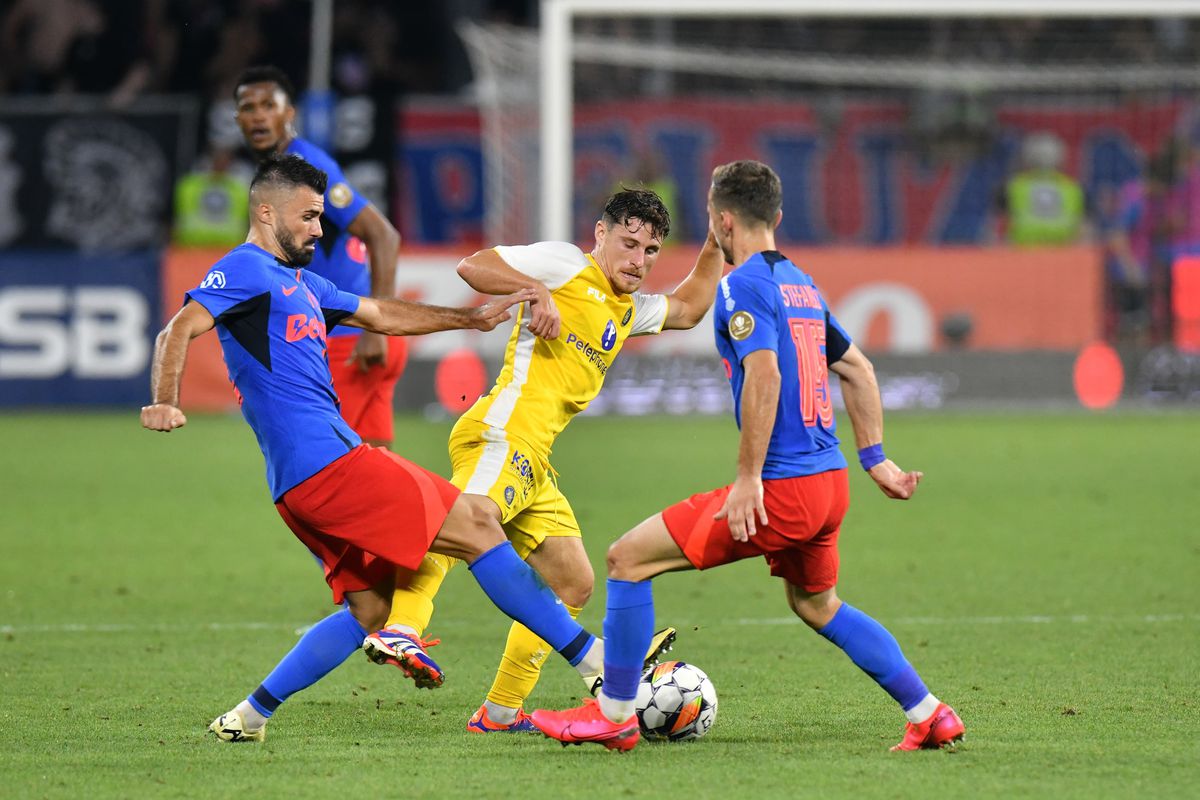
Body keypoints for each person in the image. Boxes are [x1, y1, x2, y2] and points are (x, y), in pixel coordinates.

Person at [142, 154, 609, 743]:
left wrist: (470, 319)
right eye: (309, 216)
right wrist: (164, 398)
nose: (319, 228)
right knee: (477, 528)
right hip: (329, 466)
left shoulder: (304, 284)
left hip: (300, 485)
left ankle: (248, 717)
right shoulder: (244, 271)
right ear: (266, 212)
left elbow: (382, 314)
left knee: (371, 610)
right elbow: (178, 327)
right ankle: (599, 668)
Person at [530, 160, 965, 753]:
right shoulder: (802, 285)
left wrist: (747, 479)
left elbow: (764, 373)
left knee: (627, 559)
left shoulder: (743, 284)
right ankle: (930, 712)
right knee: (817, 604)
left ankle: (614, 715)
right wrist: (877, 460)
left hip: (783, 488)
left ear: (720, 220)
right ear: (778, 217)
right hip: (829, 483)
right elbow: (858, 370)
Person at [362, 188, 726, 733]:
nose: (638, 260)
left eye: (650, 252)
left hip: (536, 460)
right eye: (628, 243)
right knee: (466, 524)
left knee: (572, 582)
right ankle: (402, 628)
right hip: (501, 435)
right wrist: (535, 291)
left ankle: (501, 712)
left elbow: (692, 307)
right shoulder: (564, 265)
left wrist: (719, 238)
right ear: (600, 235)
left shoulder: (628, 310)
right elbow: (473, 266)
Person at [234, 65, 405, 449]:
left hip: (352, 337)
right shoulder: (279, 172)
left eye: (269, 105)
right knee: (379, 474)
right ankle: (437, 511)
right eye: (248, 107)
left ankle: (461, 511)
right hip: (356, 332)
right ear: (237, 119)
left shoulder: (307, 166)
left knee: (326, 469)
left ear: (289, 112)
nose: (259, 115)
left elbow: (383, 235)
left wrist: (375, 329)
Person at [1002, 131, 1085, 247]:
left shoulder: (1015, 186)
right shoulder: (1072, 188)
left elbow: (1000, 224)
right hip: (1064, 255)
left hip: (1023, 254)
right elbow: (1082, 228)